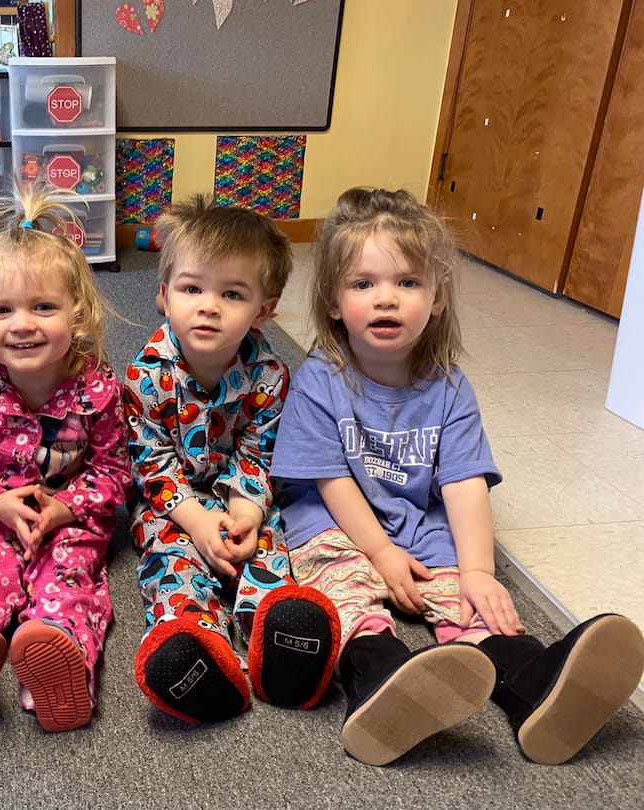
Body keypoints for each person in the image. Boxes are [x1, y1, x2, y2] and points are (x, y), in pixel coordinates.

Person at [271, 186, 644, 766]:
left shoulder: (449, 386)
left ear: (438, 296)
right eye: (363, 284)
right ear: (334, 302)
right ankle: (379, 675)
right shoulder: (322, 377)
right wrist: (379, 554)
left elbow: (465, 482)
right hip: (338, 522)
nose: (386, 299)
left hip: (420, 521)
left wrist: (477, 572)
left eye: (408, 282)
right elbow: (329, 481)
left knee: (474, 608)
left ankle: (532, 681)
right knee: (342, 592)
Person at [0, 180, 131, 732]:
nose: (23, 324)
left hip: (68, 518)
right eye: (2, 310)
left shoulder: (98, 389)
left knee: (71, 573)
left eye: (43, 307)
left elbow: (114, 470)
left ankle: (58, 655)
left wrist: (65, 508)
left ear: (76, 317)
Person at [124, 194, 341, 724]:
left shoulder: (269, 374)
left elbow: (260, 451)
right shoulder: (143, 375)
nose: (208, 306)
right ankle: (197, 641)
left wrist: (246, 511)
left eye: (232, 294)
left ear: (264, 309)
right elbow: (151, 464)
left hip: (239, 495)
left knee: (269, 545)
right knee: (171, 560)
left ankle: (279, 638)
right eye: (191, 289)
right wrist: (196, 520)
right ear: (164, 295)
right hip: (171, 504)